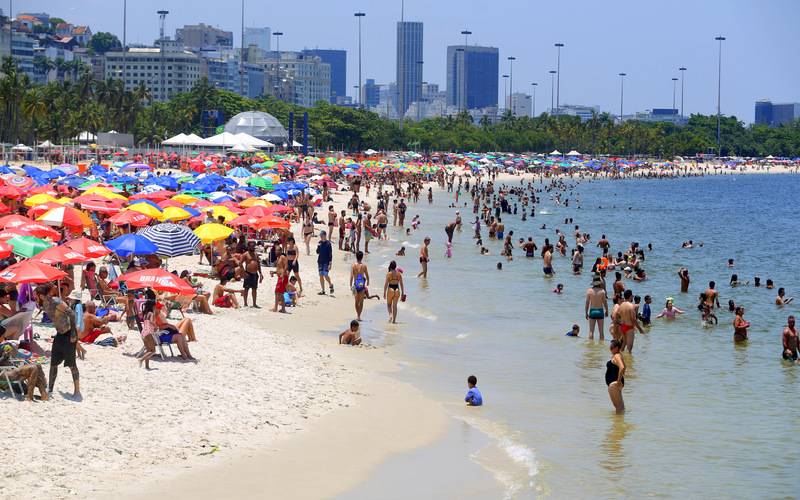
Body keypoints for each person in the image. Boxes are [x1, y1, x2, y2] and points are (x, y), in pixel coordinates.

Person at [37, 284, 80, 398]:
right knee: (53, 364)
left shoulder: (56, 301)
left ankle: (77, 391)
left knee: (72, 364)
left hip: (68, 333)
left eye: (36, 295)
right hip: (59, 335)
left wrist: (73, 333)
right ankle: (50, 388)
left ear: (41, 296)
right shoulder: (44, 304)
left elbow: (72, 314)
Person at [585, 276, 609, 340]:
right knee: (601, 332)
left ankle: (590, 346)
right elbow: (605, 302)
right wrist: (607, 311)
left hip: (592, 311)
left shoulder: (589, 291)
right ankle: (601, 347)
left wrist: (586, 313)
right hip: (600, 311)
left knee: (591, 331)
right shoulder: (602, 291)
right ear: (599, 283)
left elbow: (587, 303)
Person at [606, 339, 626, 413]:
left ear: (617, 348)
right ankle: (618, 423)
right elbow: (625, 367)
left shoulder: (617, 356)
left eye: (612, 347)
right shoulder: (619, 355)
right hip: (615, 385)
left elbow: (622, 367)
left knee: (619, 408)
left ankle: (618, 423)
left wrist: (618, 381)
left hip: (614, 385)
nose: (610, 349)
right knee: (620, 407)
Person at [241, 241, 264, 308]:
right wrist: (244, 272)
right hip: (248, 273)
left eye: (253, 246)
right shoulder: (245, 254)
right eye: (251, 246)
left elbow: (258, 264)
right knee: (246, 289)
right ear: (248, 247)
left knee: (254, 289)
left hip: (255, 274)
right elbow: (240, 263)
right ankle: (245, 303)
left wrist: (260, 273)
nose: (252, 247)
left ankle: (254, 303)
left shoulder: (255, 254)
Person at [350, 251, 369, 321]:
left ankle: (357, 314)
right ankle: (359, 315)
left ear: (356, 256)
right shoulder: (364, 266)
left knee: (356, 301)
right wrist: (368, 281)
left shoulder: (353, 265)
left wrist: (350, 284)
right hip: (361, 284)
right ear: (362, 257)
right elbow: (367, 275)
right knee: (361, 301)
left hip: (355, 284)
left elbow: (351, 276)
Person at [316, 230, 334, 295]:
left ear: (324, 235)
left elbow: (330, 254)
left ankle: (330, 284)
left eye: (321, 235)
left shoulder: (328, 244)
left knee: (325, 275)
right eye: (320, 236)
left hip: (326, 262)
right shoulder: (319, 243)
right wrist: (318, 246)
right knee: (321, 275)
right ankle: (323, 290)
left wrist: (330, 264)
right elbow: (317, 252)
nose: (320, 237)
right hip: (320, 261)